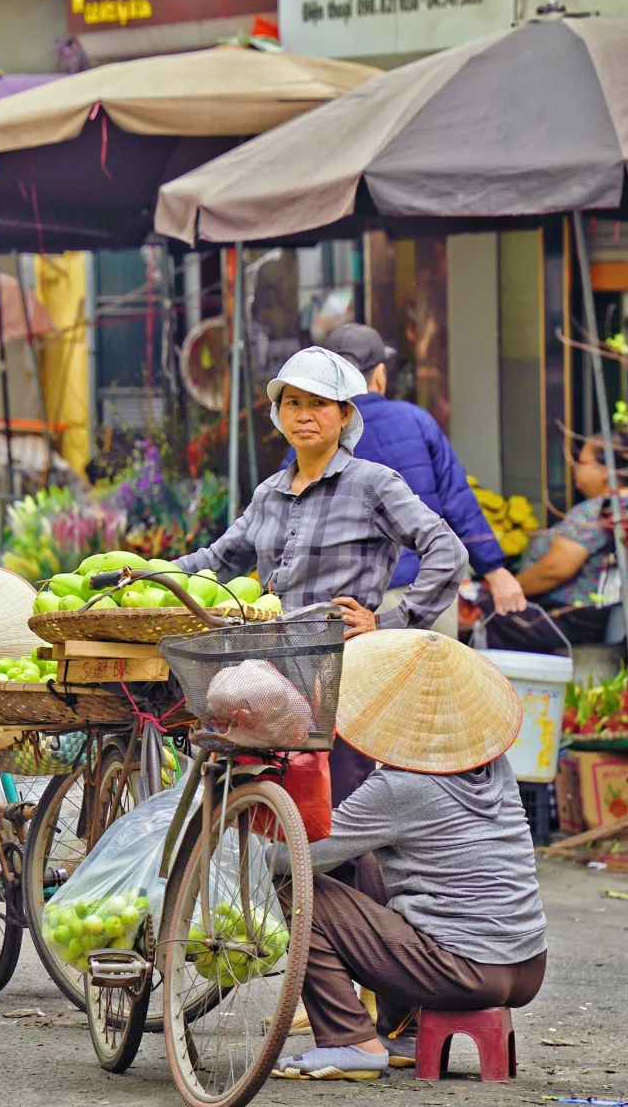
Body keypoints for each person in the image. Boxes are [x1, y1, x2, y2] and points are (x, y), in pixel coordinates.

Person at [177, 345, 466, 810]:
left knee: (339, 806)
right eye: (293, 403)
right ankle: (282, 883)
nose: (304, 415)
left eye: (318, 404)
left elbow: (446, 550)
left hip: (343, 672)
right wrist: (151, 576)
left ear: (345, 415)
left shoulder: (373, 483)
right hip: (272, 674)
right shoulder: (269, 493)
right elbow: (219, 559)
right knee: (268, 798)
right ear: (278, 414)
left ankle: (343, 887)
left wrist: (391, 624)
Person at [273, 629, 547, 1082]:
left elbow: (298, 858)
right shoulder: (496, 765)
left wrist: (245, 840)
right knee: (370, 862)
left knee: (297, 886)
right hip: (527, 964)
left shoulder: (403, 787)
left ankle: (349, 1041)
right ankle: (401, 1031)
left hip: (466, 971)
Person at [325, 321, 527, 635]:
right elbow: (457, 500)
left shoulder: (315, 432)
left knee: (359, 686)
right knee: (432, 685)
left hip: (348, 605)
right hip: (424, 595)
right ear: (380, 372)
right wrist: (496, 570)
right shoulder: (415, 420)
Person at [483, 428, 628, 652]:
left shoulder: (596, 512)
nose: (574, 467)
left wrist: (508, 589)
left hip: (571, 618)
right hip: (603, 616)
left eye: (581, 461)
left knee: (490, 612)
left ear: (604, 471)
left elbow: (555, 569)